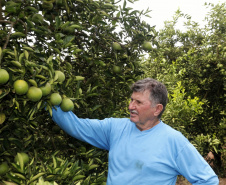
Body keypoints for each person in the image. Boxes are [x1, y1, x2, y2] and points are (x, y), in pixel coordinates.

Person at [52, 78, 219, 185]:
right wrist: (48, 99)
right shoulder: (115, 128)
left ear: (157, 109)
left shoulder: (173, 140)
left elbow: (207, 180)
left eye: (138, 102)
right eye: (131, 100)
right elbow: (77, 126)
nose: (131, 106)